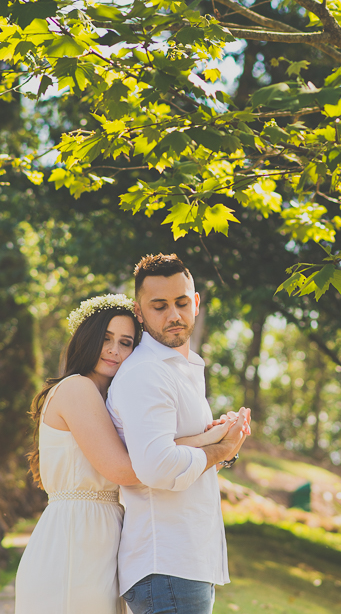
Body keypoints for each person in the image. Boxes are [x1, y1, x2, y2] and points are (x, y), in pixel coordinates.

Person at [15, 294, 237, 614]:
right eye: (105, 339)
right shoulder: (77, 388)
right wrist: (212, 443)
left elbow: (151, 457)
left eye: (125, 342)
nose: (114, 351)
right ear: (86, 340)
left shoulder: (108, 399)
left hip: (104, 538)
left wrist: (207, 440)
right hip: (74, 540)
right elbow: (127, 470)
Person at [108, 254, 251, 614]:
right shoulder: (146, 373)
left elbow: (179, 461)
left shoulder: (183, 368)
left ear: (196, 303)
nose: (173, 315)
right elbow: (156, 467)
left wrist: (222, 441)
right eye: (159, 306)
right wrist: (220, 450)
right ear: (139, 313)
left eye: (181, 303)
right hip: (166, 564)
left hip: (185, 563)